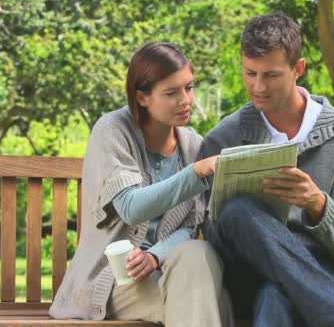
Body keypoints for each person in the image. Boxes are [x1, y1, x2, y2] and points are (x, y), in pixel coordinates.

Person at [201, 14, 334, 327]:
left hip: (317, 278)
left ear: (298, 68)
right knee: (238, 211)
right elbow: (207, 232)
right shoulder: (223, 138)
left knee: (276, 295)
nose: (258, 86)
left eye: (271, 75)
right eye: (249, 73)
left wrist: (318, 207)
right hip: (243, 278)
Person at [49, 42, 232, 327]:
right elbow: (131, 208)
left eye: (189, 87)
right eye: (171, 93)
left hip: (170, 269)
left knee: (199, 253)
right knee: (212, 301)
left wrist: (155, 256)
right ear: (142, 97)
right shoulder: (112, 130)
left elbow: (190, 225)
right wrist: (195, 173)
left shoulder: (194, 144)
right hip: (116, 281)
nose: (185, 100)